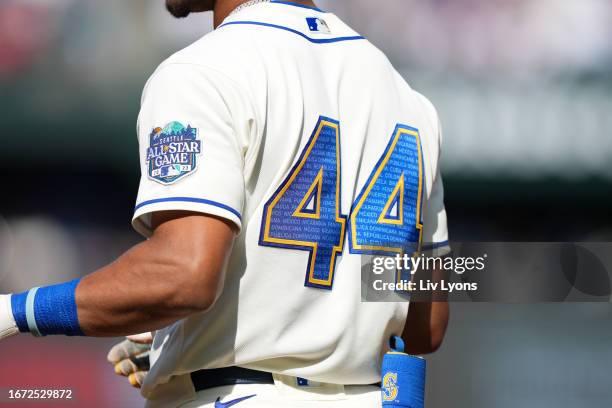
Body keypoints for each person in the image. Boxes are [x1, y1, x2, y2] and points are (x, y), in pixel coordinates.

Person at [0, 0, 450, 406]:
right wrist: (183, 340)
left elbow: (185, 274)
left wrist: (18, 311)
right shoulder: (407, 98)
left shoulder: (203, 68)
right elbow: (426, 324)